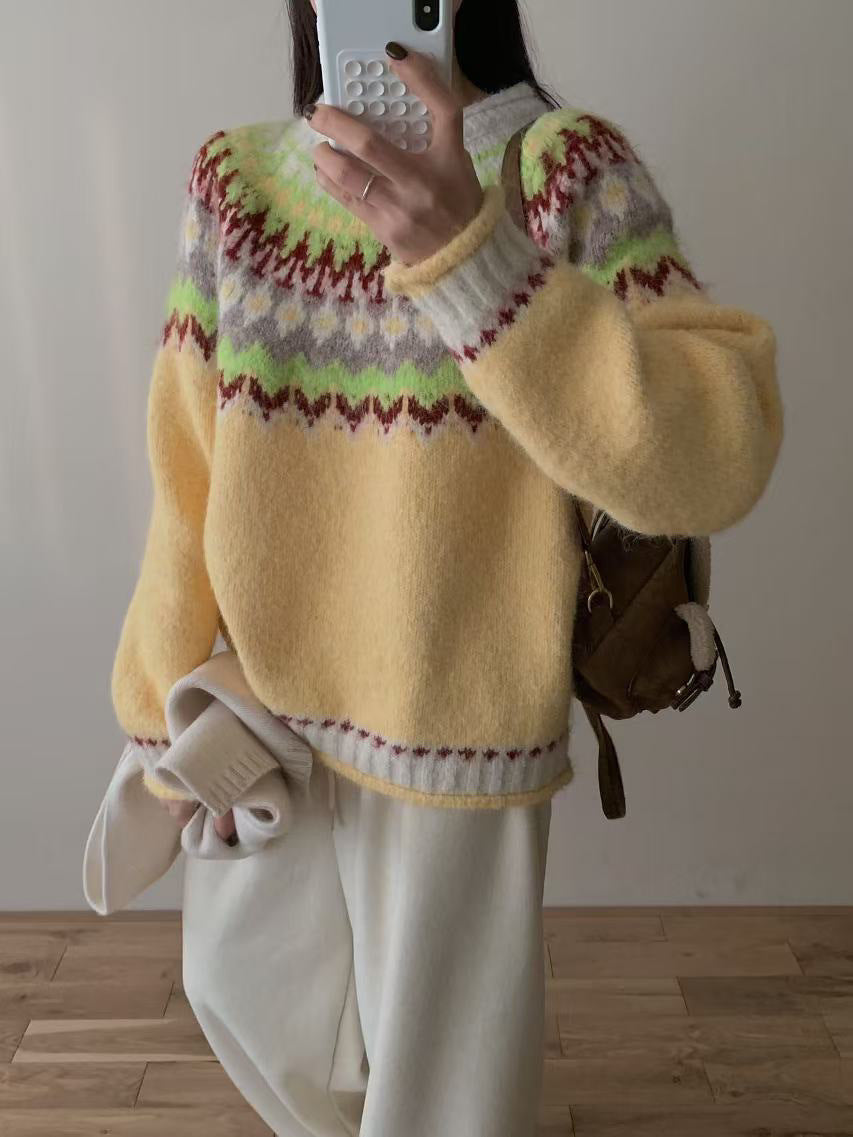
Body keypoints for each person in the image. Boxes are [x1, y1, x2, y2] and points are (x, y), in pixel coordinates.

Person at [107, 0, 783, 1133]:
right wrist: (156, 727)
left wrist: (476, 262)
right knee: (255, 1026)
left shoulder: (565, 173)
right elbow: (186, 473)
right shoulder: (235, 181)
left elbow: (718, 454)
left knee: (442, 1113)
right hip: (262, 728)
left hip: (458, 734)